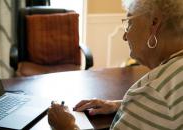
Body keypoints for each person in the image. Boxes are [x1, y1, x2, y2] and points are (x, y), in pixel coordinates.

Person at [48, 0, 183, 129]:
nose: (125, 36)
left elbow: (159, 103)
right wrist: (123, 105)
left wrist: (66, 126)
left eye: (129, 23)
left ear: (154, 23)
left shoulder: (154, 93)